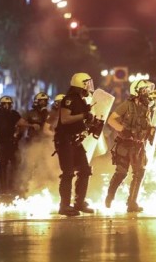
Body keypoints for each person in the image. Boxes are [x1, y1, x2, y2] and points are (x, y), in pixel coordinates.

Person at [105, 79, 155, 212]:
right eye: (145, 90)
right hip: (125, 144)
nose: (147, 93)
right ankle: (110, 195)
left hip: (139, 145)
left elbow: (148, 124)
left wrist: (150, 133)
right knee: (121, 173)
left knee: (139, 173)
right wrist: (122, 129)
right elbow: (111, 119)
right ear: (137, 91)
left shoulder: (147, 107)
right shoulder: (127, 105)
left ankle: (132, 203)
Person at [54, 73, 96, 216]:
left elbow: (81, 121)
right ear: (80, 84)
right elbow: (65, 119)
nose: (89, 87)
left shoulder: (82, 100)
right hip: (65, 140)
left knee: (84, 170)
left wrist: (91, 123)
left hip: (76, 140)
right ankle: (64, 206)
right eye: (86, 84)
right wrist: (83, 116)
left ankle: (79, 203)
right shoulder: (69, 99)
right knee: (68, 173)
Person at [0, 96, 33, 194]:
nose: (6, 106)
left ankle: (11, 186)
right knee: (3, 167)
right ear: (1, 105)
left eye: (8, 104)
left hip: (11, 143)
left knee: (14, 166)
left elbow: (22, 123)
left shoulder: (14, 114)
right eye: (5, 104)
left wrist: (31, 125)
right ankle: (4, 188)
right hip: (1, 144)